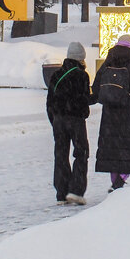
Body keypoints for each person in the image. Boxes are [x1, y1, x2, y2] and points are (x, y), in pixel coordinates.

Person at [92, 33, 130, 192]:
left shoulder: (108, 63)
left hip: (110, 114)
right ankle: (120, 180)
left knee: (113, 148)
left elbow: (96, 86)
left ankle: (115, 180)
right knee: (129, 148)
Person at [47, 41, 92, 205]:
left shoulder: (56, 75)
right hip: (75, 120)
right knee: (81, 153)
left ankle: (61, 192)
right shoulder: (81, 75)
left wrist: (54, 120)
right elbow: (84, 99)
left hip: (58, 120)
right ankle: (76, 190)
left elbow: (49, 102)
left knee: (60, 154)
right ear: (81, 58)